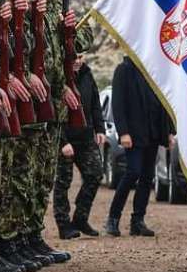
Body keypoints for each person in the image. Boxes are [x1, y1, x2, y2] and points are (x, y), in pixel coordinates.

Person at [104, 57, 174, 237]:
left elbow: (164, 101)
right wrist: (123, 132)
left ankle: (138, 221)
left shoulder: (155, 69)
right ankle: (113, 218)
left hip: (153, 132)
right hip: (133, 134)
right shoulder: (124, 69)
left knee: (147, 177)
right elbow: (118, 104)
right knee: (132, 172)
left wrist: (169, 131)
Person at [53, 53, 107, 239]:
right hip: (65, 139)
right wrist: (63, 141)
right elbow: (52, 111)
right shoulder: (58, 76)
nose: (77, 60)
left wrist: (100, 129)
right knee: (63, 182)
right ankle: (63, 224)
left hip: (86, 137)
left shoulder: (87, 74)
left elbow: (95, 104)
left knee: (95, 174)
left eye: (80, 56)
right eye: (73, 56)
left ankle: (80, 218)